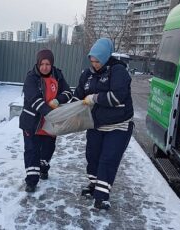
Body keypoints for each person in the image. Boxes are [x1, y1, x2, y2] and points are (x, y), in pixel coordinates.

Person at [72, 38, 134, 210]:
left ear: (106, 57)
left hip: (118, 125)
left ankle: (102, 196)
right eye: (92, 60)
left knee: (108, 159)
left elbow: (116, 97)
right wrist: (68, 108)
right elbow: (78, 95)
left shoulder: (118, 71)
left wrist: (94, 98)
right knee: (92, 158)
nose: (95, 64)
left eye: (97, 61)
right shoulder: (87, 74)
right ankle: (94, 186)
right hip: (96, 124)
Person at [19, 49, 73, 193]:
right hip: (32, 122)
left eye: (47, 64)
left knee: (47, 150)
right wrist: (50, 113)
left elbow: (68, 92)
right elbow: (34, 100)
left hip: (50, 125)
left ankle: (43, 168)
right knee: (32, 151)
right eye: (42, 63)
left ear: (52, 64)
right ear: (37, 63)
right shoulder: (31, 77)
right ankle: (31, 181)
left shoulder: (57, 75)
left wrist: (58, 99)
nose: (44, 67)